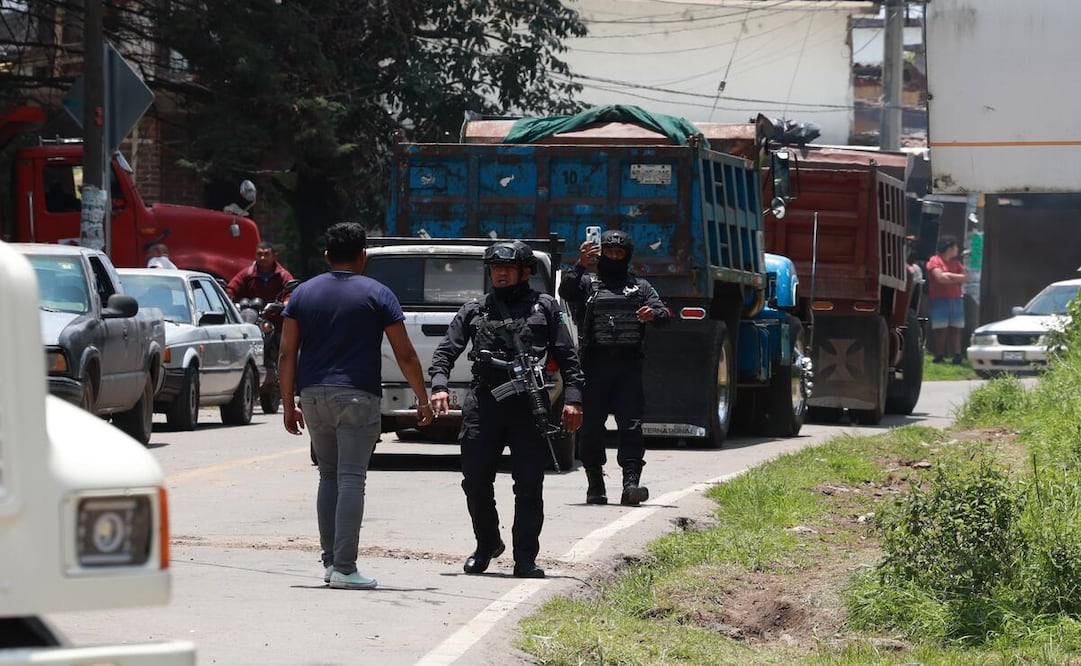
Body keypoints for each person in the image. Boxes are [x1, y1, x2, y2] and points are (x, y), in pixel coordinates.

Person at [278, 222, 433, 590]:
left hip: (313, 394)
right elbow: (405, 354)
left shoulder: (302, 294)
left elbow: (287, 353)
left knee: (328, 475)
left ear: (327, 255)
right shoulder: (378, 293)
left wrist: (287, 404)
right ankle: (346, 568)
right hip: (358, 395)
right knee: (350, 477)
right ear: (363, 255)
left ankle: (332, 563)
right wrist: (422, 399)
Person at [429, 240, 584, 579]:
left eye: (508, 268)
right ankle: (487, 544)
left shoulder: (545, 308)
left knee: (529, 484)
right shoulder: (475, 309)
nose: (499, 273)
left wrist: (572, 399)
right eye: (495, 268)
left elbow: (570, 358)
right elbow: (445, 352)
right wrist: (439, 385)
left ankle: (525, 558)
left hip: (530, 406)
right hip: (485, 403)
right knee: (475, 481)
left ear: (525, 272)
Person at [558, 229, 670, 506]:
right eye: (609, 252)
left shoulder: (640, 287)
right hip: (594, 366)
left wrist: (653, 314)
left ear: (627, 256)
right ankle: (595, 483)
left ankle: (631, 482)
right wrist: (580, 263)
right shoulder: (586, 283)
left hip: (628, 367)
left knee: (631, 426)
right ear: (601, 254)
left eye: (619, 253)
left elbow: (664, 313)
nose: (614, 257)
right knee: (592, 427)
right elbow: (565, 291)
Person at [926, 234, 968, 364]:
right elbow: (940, 278)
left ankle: (957, 354)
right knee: (941, 328)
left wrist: (949, 275)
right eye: (955, 247)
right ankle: (939, 355)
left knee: (956, 328)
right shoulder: (935, 260)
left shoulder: (956, 263)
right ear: (949, 248)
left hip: (956, 298)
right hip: (939, 299)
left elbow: (965, 277)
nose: (957, 250)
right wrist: (954, 277)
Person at [226, 241, 294, 303]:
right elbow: (231, 289)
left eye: (266, 254)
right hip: (250, 314)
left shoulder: (283, 275)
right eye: (259, 254)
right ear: (255, 256)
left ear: (274, 257)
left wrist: (287, 302)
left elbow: (291, 292)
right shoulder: (247, 274)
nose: (262, 258)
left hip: (278, 314)